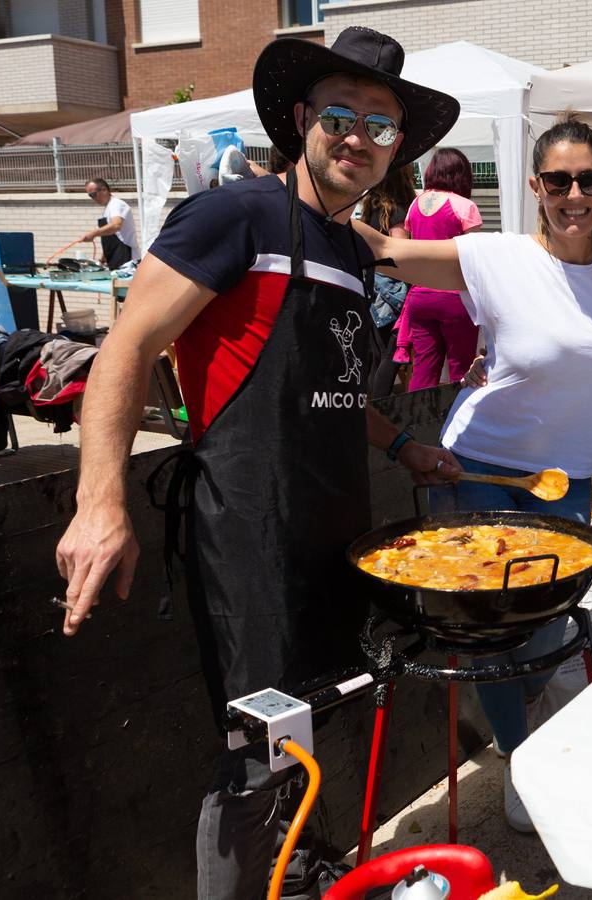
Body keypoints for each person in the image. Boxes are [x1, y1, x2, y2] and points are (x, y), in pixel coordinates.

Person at [54, 28, 461, 899]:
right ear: (302, 120)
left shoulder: (354, 253)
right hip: (246, 535)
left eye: (380, 126)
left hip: (332, 531)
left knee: (308, 722)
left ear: (396, 149)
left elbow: (336, 388)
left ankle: (303, 871)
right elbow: (125, 349)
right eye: (342, 116)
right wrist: (100, 503)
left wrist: (402, 446)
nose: (358, 138)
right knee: (255, 752)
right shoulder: (231, 214)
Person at [358, 116, 592, 832]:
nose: (575, 194)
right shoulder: (494, 255)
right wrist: (305, 200)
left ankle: (542, 721)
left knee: (544, 634)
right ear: (535, 187)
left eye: (589, 180)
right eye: (559, 180)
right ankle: (519, 762)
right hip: (477, 470)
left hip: (564, 484)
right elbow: (387, 252)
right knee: (493, 635)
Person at [397, 147, 482, 391]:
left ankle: (415, 426)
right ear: (461, 174)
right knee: (462, 370)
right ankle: (458, 424)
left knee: (423, 369)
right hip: (455, 297)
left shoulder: (415, 204)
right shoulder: (465, 206)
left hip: (419, 297)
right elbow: (473, 257)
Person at [360, 164, 415, 397]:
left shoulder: (372, 206)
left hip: (371, 285)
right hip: (392, 290)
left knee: (375, 355)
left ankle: (370, 414)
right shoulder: (398, 211)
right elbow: (399, 254)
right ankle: (382, 412)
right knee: (390, 355)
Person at [80, 178, 137, 268]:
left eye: (94, 194)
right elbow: (111, 236)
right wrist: (103, 257)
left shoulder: (116, 204)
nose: (93, 198)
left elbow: (116, 225)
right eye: (90, 196)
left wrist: (94, 233)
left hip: (125, 256)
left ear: (104, 190)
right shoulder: (108, 208)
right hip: (114, 256)